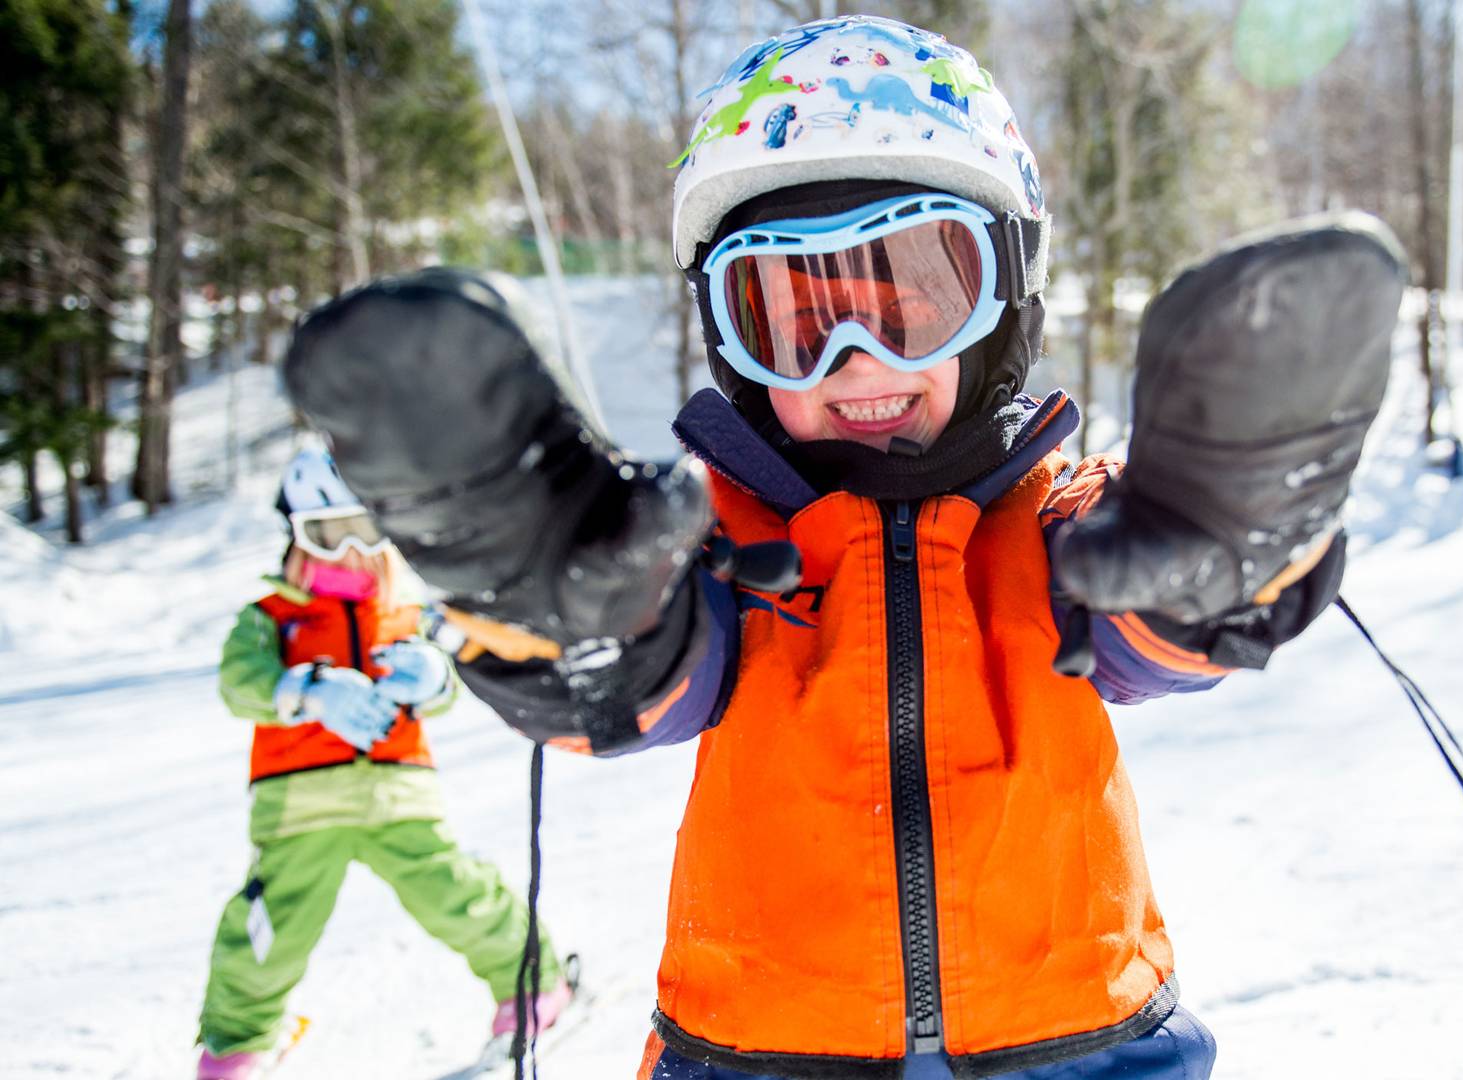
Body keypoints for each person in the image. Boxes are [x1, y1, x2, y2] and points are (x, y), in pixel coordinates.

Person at [284, 15, 1401, 1079]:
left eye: (915, 297)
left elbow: (1155, 632)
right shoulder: (725, 538)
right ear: (735, 349)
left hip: (1083, 1049)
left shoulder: (1058, 521)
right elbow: (660, 677)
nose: (857, 361)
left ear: (1005, 298)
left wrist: (1225, 532)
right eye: (794, 316)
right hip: (762, 1055)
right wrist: (566, 606)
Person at [192, 449, 572, 1080]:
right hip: (298, 802)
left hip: (400, 793)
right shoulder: (270, 620)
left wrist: (432, 678)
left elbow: (447, 687)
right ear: (296, 535)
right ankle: (239, 1040)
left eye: (361, 531)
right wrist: (304, 690)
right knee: (270, 926)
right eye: (326, 535)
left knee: (457, 895)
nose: (347, 554)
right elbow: (239, 682)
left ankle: (534, 984)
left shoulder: (404, 618)